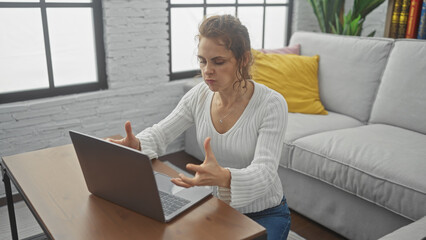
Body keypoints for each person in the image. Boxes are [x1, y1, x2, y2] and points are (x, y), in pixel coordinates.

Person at [109, 14, 290, 239]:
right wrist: (137, 144)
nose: (207, 70)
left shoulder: (271, 104)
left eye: (218, 61)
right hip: (219, 207)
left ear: (243, 59)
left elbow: (264, 172)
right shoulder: (199, 95)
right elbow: (161, 133)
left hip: (265, 214)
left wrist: (224, 176)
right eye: (202, 61)